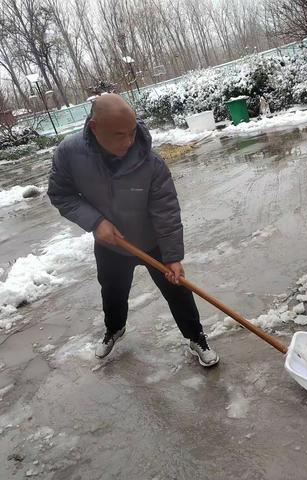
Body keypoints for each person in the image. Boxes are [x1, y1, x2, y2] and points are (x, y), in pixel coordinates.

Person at [47, 94, 219, 366]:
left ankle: (196, 337)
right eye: (119, 135)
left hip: (153, 242)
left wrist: (173, 256)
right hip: (111, 244)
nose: (128, 142)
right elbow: (61, 195)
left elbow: (166, 211)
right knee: (112, 292)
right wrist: (95, 222)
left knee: (178, 291)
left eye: (131, 133)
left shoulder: (151, 163)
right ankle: (114, 330)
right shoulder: (69, 154)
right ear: (94, 127)